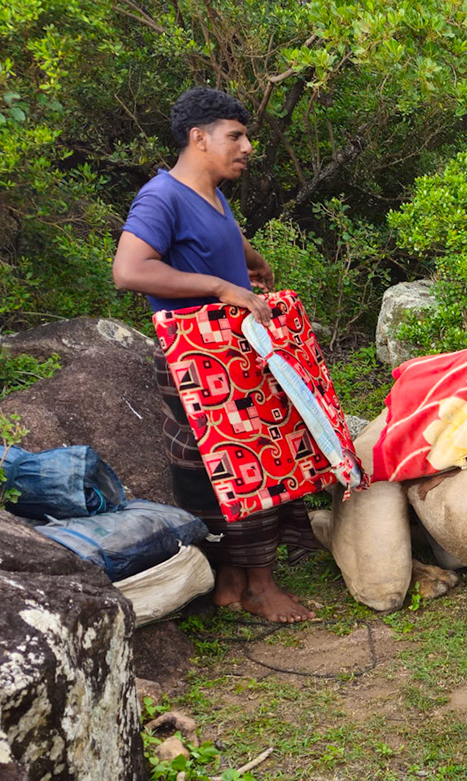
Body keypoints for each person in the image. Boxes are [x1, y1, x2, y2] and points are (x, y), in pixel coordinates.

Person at [112, 86, 315, 623]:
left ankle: (233, 577)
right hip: (194, 358)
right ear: (198, 138)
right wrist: (222, 288)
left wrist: (253, 259)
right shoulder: (162, 196)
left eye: (246, 135)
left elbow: (222, 232)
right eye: (236, 136)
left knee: (247, 462)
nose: (247, 146)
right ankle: (259, 586)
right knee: (237, 468)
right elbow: (130, 270)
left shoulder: (211, 193)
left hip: (229, 354)